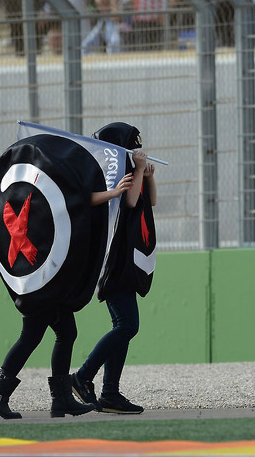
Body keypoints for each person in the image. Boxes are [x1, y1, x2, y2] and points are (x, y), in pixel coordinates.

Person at [0, 172, 136, 419]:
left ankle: (54, 398)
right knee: (34, 335)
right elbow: (79, 201)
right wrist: (113, 193)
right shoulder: (45, 188)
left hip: (42, 278)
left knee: (62, 332)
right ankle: (2, 394)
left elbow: (3, 213)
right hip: (40, 279)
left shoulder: (36, 186)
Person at [71, 123, 157, 414]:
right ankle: (83, 376)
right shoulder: (112, 174)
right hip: (114, 262)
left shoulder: (130, 173)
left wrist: (147, 176)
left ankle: (109, 393)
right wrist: (137, 171)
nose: (139, 152)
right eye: (134, 147)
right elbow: (131, 202)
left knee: (123, 327)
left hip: (128, 263)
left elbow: (149, 201)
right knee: (127, 325)